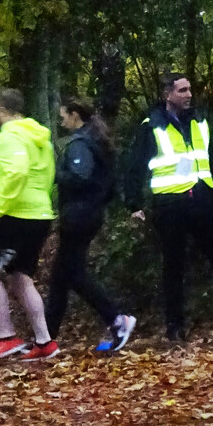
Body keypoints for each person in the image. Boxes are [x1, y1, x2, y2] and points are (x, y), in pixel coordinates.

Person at [123, 72, 213, 340]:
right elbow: (134, 165)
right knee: (174, 265)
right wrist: (134, 203)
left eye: (189, 90)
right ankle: (175, 327)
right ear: (167, 95)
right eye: (182, 90)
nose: (189, 95)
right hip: (170, 203)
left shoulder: (199, 121)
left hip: (204, 199)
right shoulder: (152, 126)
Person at [0, 88, 57, 362]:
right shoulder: (39, 138)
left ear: (0, 109)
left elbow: (17, 170)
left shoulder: (8, 138)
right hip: (39, 214)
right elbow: (47, 173)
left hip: (13, 215)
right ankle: (44, 341)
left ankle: (5, 337)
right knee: (21, 276)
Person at [45, 97, 136, 351]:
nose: (62, 121)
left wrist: (54, 175)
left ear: (75, 115)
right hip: (89, 213)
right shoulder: (97, 140)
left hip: (78, 217)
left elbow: (80, 176)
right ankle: (46, 337)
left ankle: (117, 318)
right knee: (60, 278)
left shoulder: (80, 145)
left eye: (64, 116)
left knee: (74, 275)